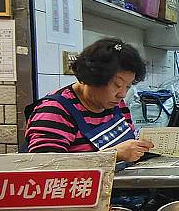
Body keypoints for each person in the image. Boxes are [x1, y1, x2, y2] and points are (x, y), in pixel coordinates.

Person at [24, 38, 153, 161]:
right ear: (93, 78)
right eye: (117, 85)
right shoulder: (54, 111)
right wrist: (113, 155)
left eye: (128, 86)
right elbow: (45, 167)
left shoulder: (117, 104)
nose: (122, 94)